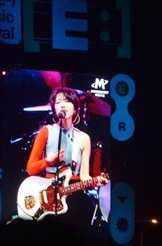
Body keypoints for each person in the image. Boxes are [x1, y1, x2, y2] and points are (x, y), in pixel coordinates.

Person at [25, 86, 105, 224]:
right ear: (54, 108)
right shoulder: (46, 131)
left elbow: (84, 176)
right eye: (58, 102)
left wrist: (95, 181)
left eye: (67, 101)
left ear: (75, 108)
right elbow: (31, 169)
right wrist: (48, 161)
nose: (62, 104)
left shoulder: (84, 138)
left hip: (73, 194)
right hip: (48, 194)